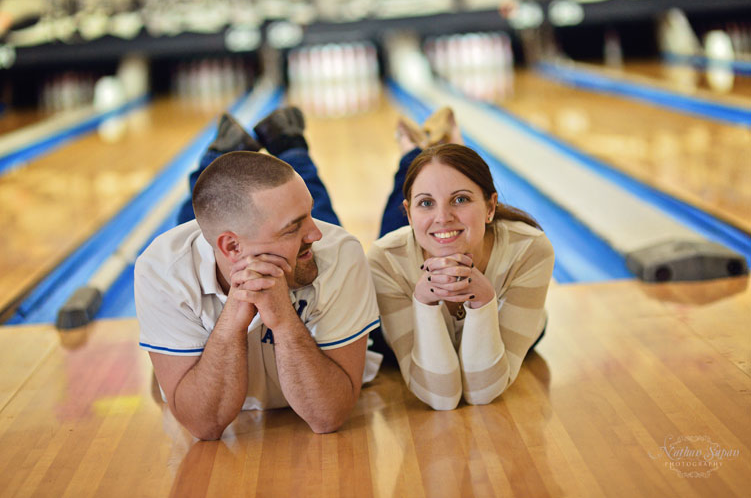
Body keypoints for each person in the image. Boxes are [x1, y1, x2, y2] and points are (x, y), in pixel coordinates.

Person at [135, 107, 380, 439]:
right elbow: (203, 425)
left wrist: (282, 318)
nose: (316, 233)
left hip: (245, 237)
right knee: (203, 211)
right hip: (216, 242)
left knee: (314, 214)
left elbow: (327, 416)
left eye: (308, 219)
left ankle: (288, 145)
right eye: (293, 228)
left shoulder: (338, 253)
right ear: (233, 249)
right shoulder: (163, 269)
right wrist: (235, 315)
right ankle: (220, 154)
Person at [368, 108, 555, 410]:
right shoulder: (385, 260)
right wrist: (424, 303)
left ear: (492, 207)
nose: (443, 215)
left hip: (503, 323)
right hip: (408, 260)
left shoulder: (529, 249)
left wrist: (484, 303)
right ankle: (413, 151)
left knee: (438, 211)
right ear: (410, 213)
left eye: (461, 199)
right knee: (412, 229)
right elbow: (440, 399)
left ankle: (441, 153)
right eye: (425, 204)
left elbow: (481, 393)